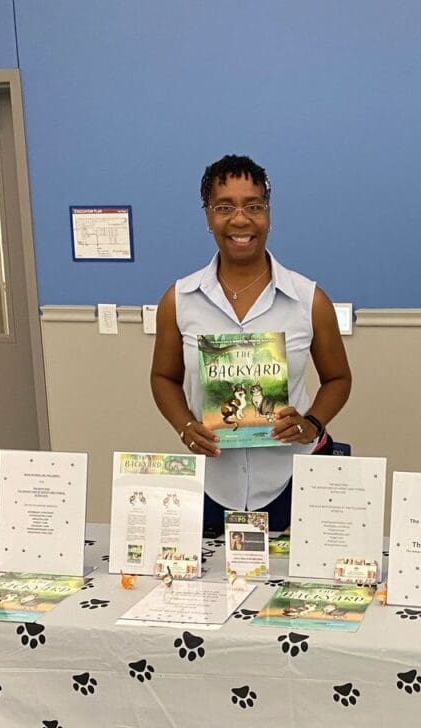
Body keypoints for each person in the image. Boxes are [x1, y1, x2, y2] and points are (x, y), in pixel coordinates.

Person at [150, 154, 351, 534]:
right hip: (210, 484)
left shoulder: (309, 299)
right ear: (208, 217)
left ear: (268, 214)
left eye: (253, 206)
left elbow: (339, 379)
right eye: (224, 207)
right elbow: (163, 377)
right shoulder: (179, 300)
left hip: (293, 481)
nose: (240, 220)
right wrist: (184, 426)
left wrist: (311, 423)